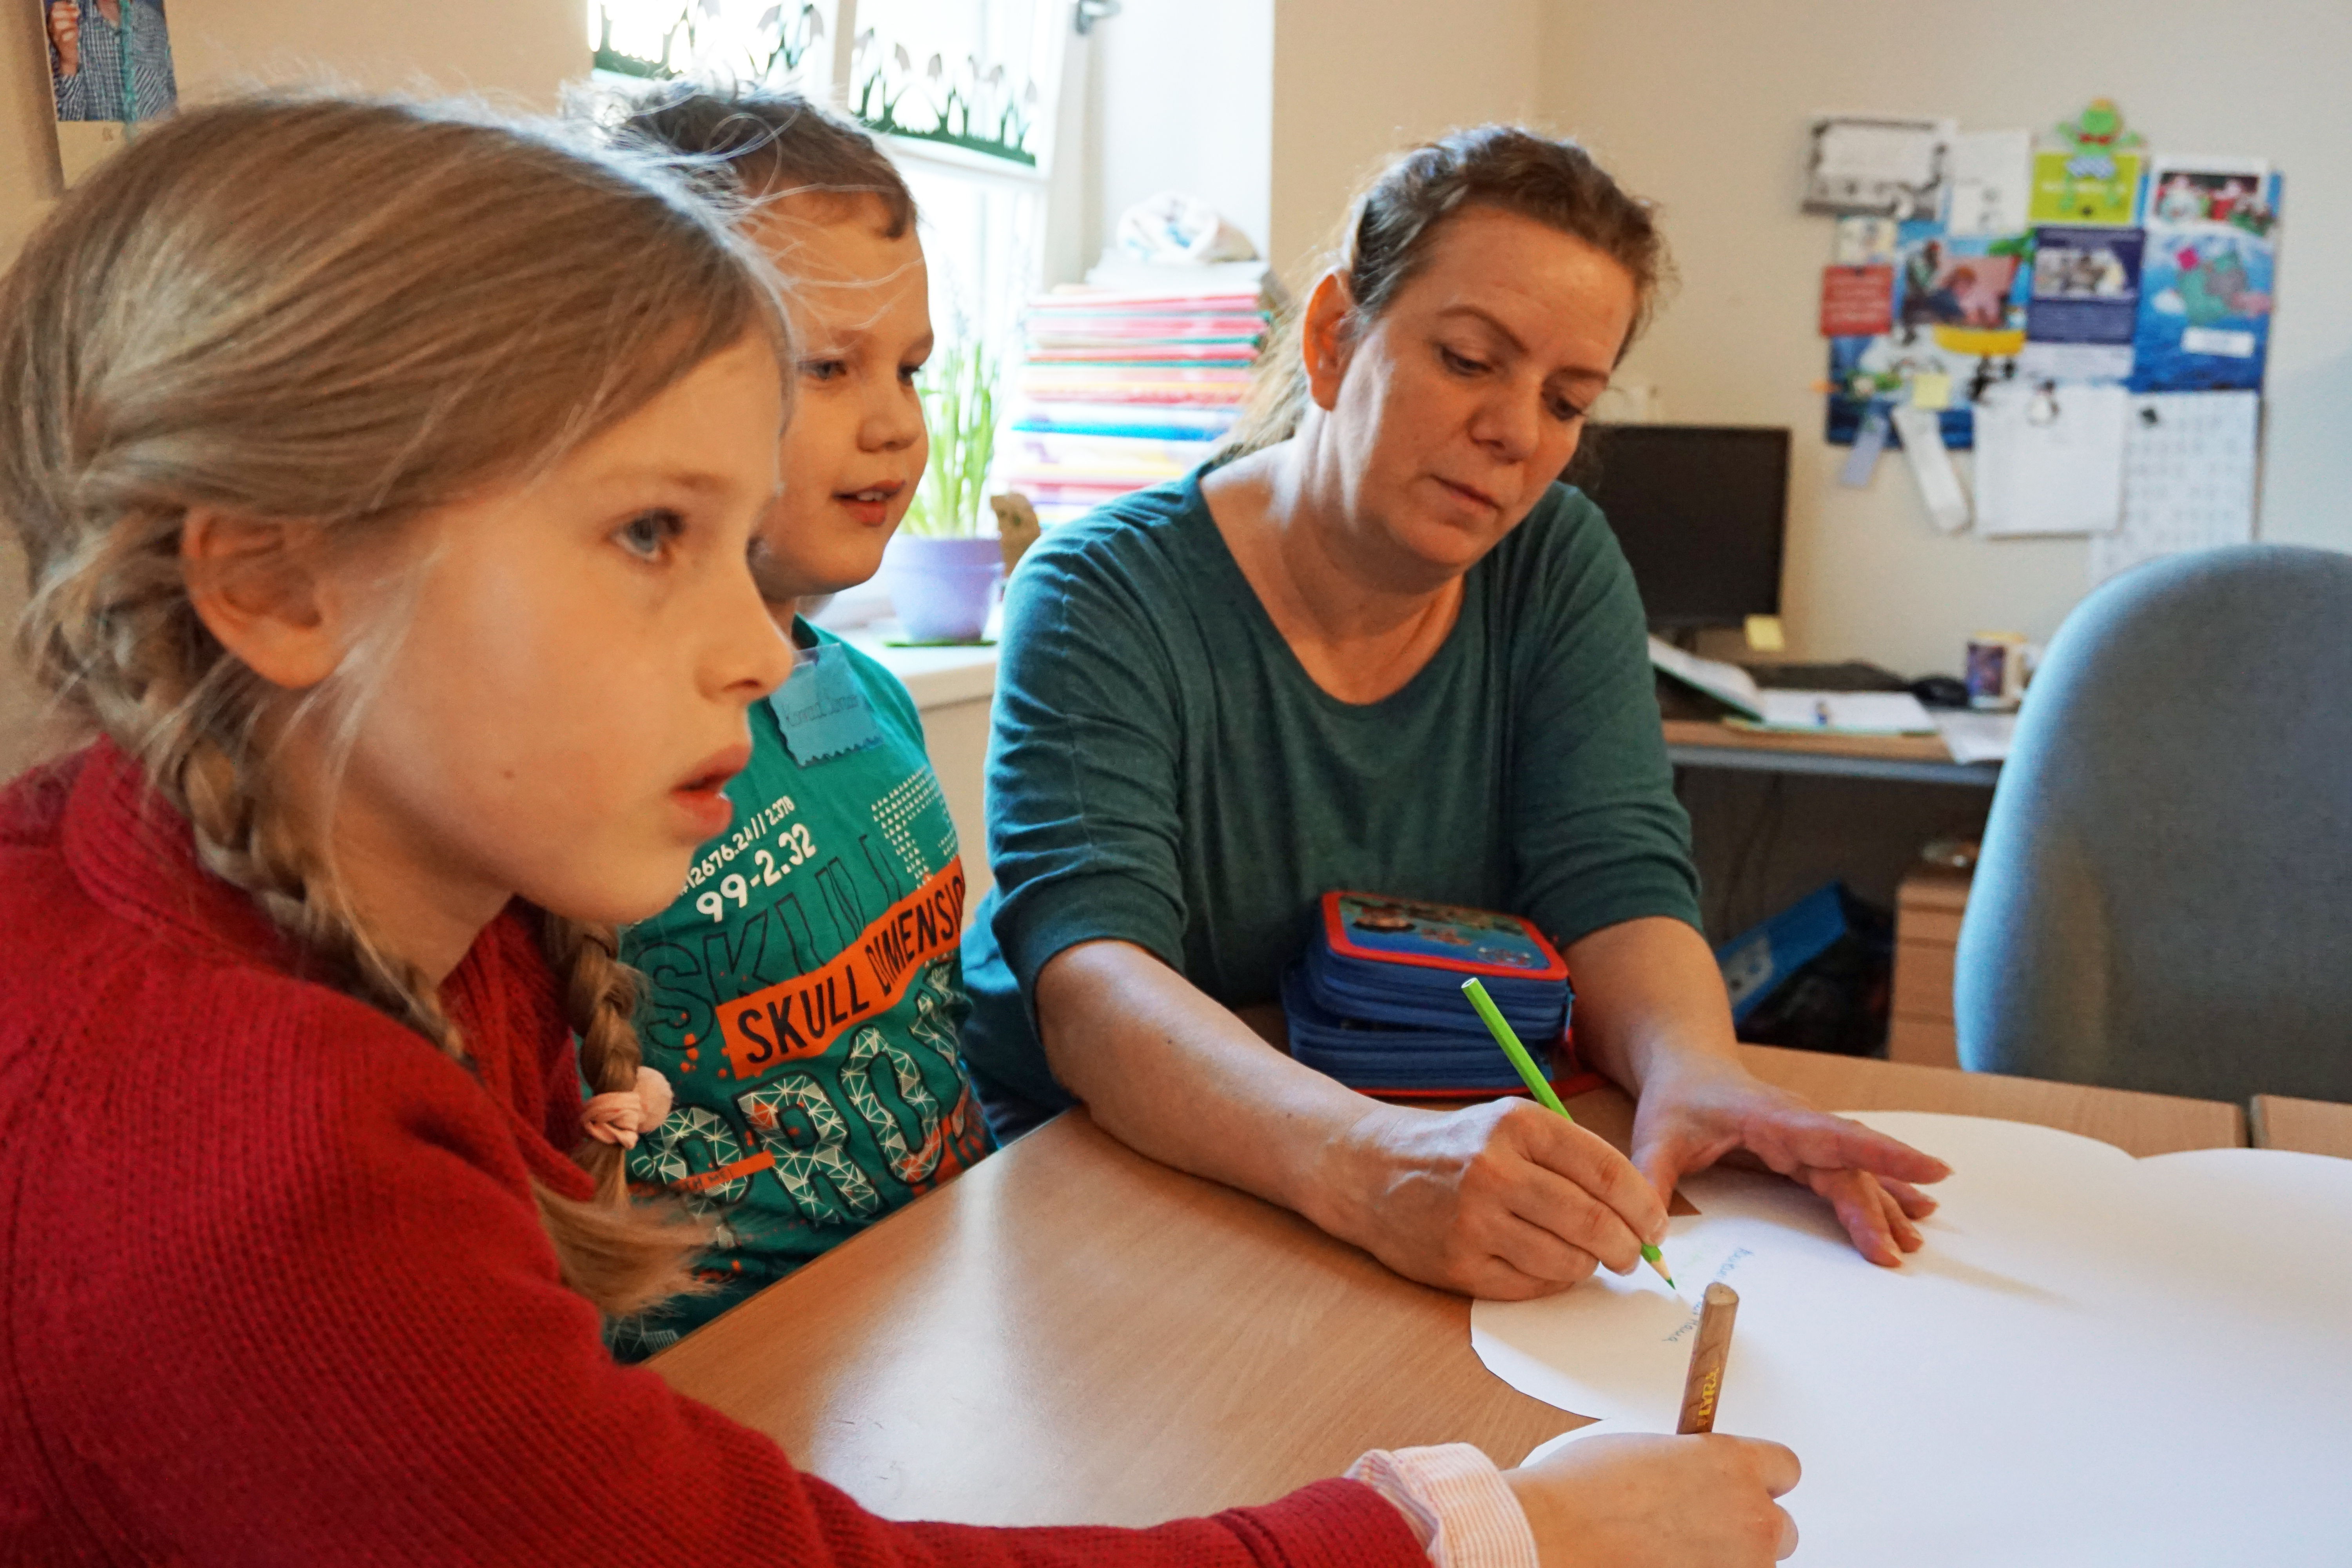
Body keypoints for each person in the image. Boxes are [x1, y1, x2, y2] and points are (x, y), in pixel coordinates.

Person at [0, 96, 1803, 1565]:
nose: (745, 647)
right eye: (649, 534)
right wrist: (1473, 1537)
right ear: (273, 576)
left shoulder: (385, 915)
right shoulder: (262, 1158)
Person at [960, 126, 1951, 1305]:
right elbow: (1093, 988)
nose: (1517, 434)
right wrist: (1368, 1163)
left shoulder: (1553, 559)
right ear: (1334, 338)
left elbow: (1612, 876)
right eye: (1472, 360)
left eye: (1567, 398)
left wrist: (1694, 1069)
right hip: (1100, 1168)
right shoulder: (1099, 592)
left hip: (1386, 1154)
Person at [594, 87, 993, 1361]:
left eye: (912, 369)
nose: (895, 421)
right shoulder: (573, 769)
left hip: (945, 1308)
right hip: (738, 1376)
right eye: (827, 365)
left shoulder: (864, 695)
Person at [45, 0, 177, 123]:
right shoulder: (63, 27)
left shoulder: (160, 28)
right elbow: (67, 136)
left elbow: (177, 116)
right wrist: (68, 63)